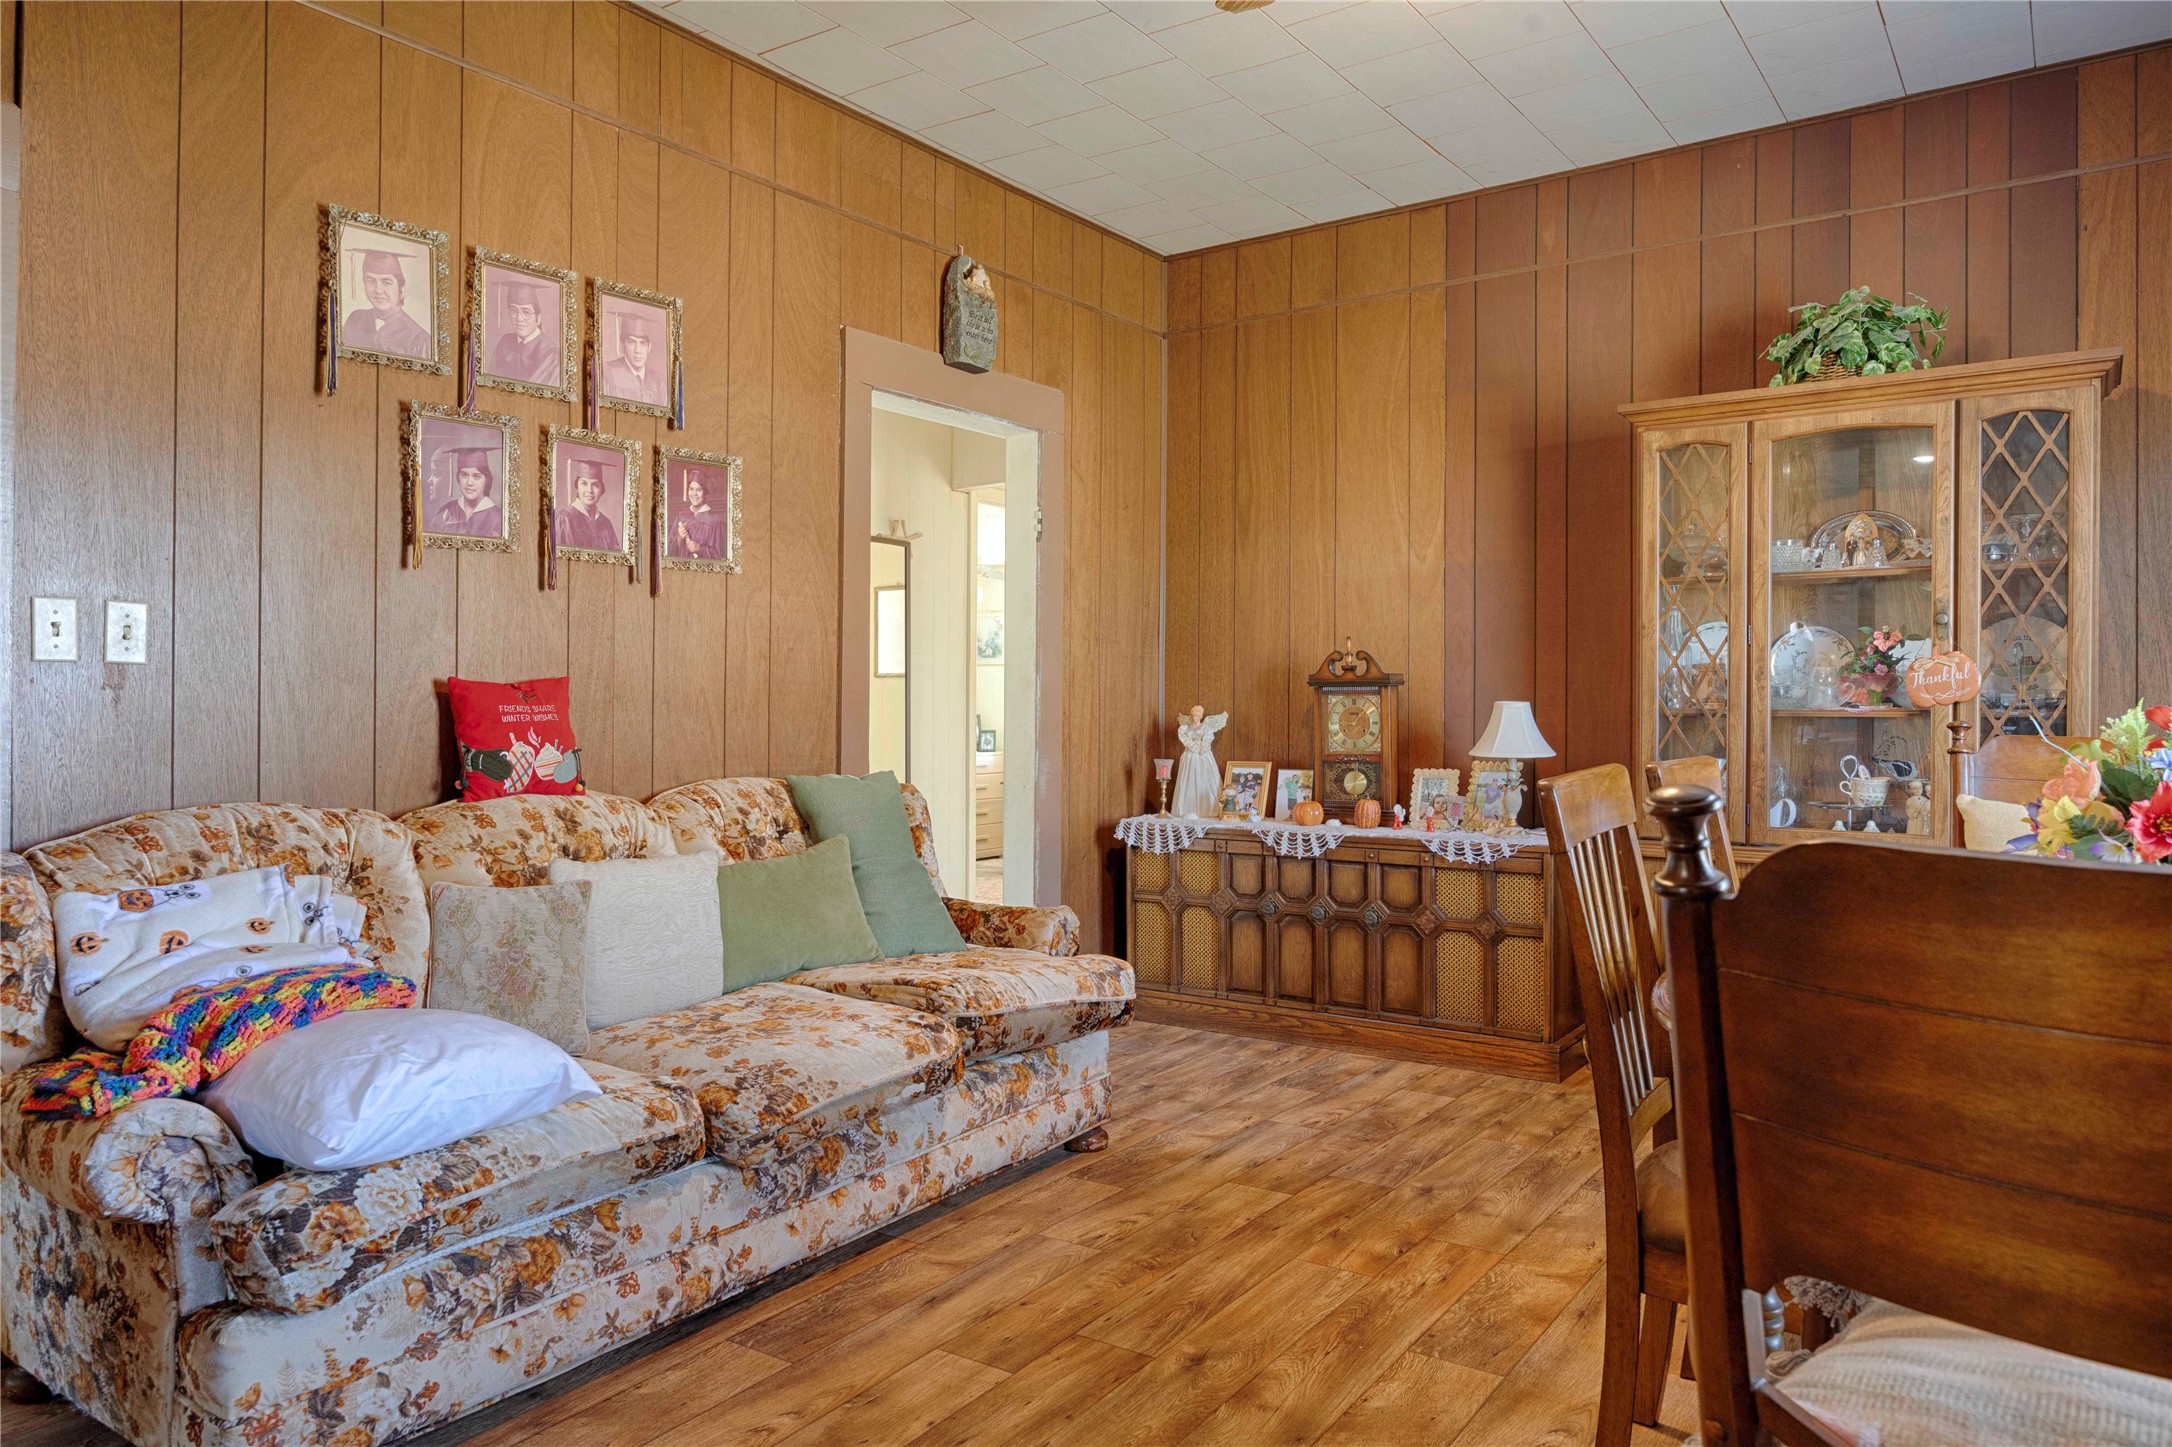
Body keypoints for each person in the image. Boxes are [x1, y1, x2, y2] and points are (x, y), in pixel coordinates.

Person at [343, 247, 432, 359]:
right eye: (371, 280)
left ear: (402, 289)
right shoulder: (355, 320)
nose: (378, 290)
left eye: (386, 282)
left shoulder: (420, 340)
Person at [488, 279, 559, 385]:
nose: (519, 318)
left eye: (526, 312)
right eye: (513, 311)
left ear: (538, 318)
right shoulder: (504, 343)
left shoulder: (552, 354)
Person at [554, 457, 623, 552]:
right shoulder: (565, 518)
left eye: (595, 485)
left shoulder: (606, 523)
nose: (589, 490)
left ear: (602, 490)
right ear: (577, 487)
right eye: (584, 483)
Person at [431, 446, 501, 537]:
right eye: (464, 475)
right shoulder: (445, 511)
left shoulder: (497, 518)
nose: (469, 483)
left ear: (486, 480)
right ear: (458, 478)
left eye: (476, 476)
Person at [600, 309, 667, 405]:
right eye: (631, 342)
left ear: (649, 347)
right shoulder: (607, 374)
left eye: (643, 343)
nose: (638, 350)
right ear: (622, 344)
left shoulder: (657, 382)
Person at [669, 467, 724, 559]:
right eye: (691, 489)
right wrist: (678, 538)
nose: (694, 494)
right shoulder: (681, 516)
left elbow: (720, 556)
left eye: (699, 490)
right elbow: (667, 552)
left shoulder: (715, 520)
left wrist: (699, 548)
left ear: (706, 494)